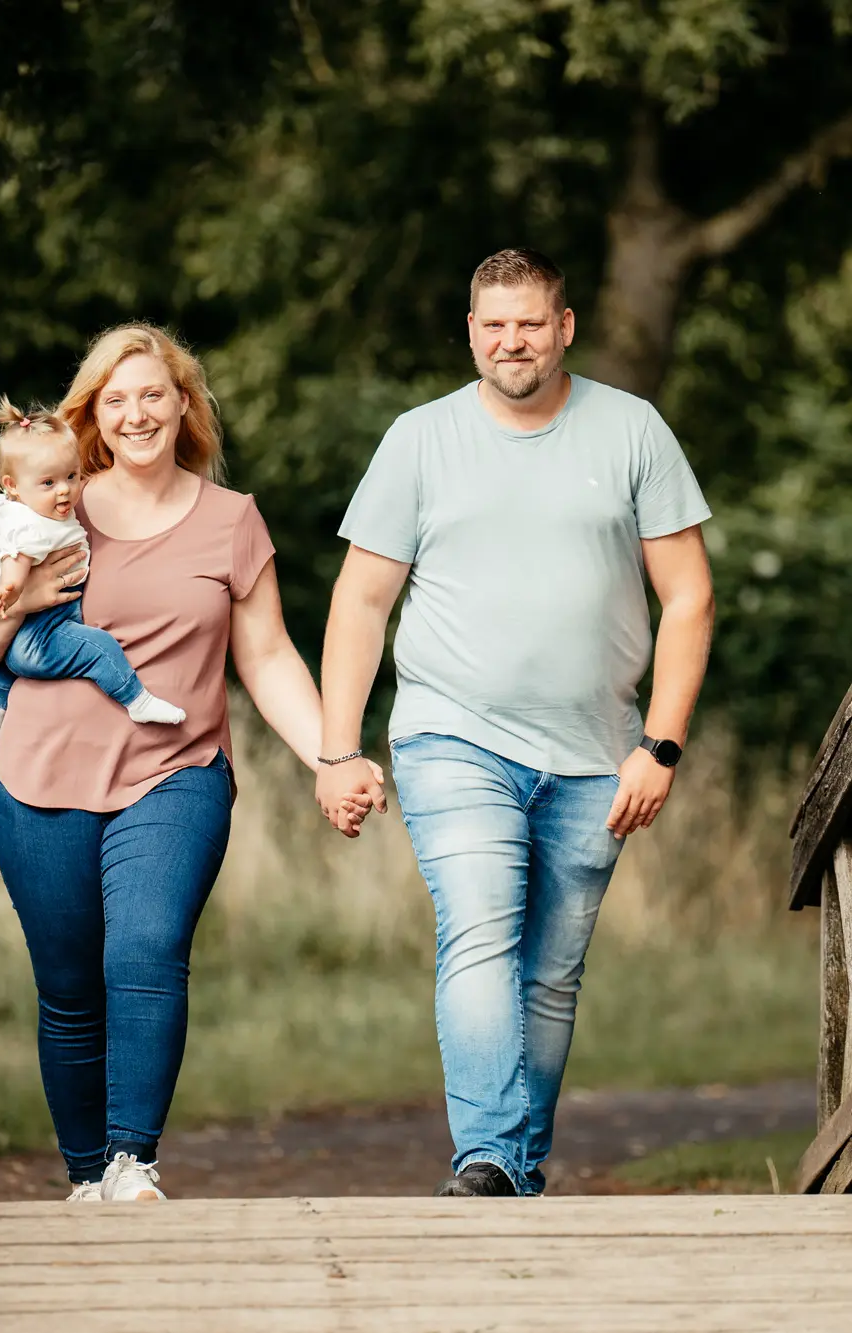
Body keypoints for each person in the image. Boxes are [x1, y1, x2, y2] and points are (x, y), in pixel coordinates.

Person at [315, 248, 715, 1197]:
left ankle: (514, 1176)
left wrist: (659, 745)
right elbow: (361, 602)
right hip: (452, 734)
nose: (512, 341)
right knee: (480, 930)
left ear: (564, 327)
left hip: (598, 753)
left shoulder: (633, 430)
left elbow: (690, 597)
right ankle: (488, 1155)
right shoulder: (420, 439)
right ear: (470, 334)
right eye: (493, 325)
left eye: (530, 322)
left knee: (550, 976)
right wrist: (337, 750)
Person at [0, 324, 377, 1202]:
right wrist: (21, 596)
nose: (136, 413)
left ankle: (130, 1161)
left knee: (146, 949)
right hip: (38, 780)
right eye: (116, 400)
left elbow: (267, 657)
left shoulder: (231, 520)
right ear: (94, 416)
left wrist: (333, 756)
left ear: (183, 404)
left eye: (153, 394)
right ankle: (86, 1177)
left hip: (174, 773)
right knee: (69, 988)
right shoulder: (55, 504)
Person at [0, 396, 185, 755]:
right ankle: (136, 699)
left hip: (21, 642)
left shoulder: (32, 509)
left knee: (17, 652)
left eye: (71, 476)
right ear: (12, 485)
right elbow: (16, 557)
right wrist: (12, 588)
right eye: (48, 483)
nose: (64, 489)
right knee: (99, 646)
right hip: (40, 638)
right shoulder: (28, 524)